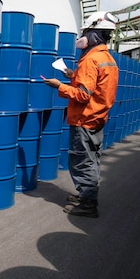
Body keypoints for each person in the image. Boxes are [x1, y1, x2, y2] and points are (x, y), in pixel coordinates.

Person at [41, 11, 119, 218]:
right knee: (91, 159)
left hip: (85, 118)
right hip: (98, 118)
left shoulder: (90, 59)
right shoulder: (106, 58)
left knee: (82, 161)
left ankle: (88, 203)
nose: (82, 36)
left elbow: (83, 95)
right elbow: (97, 84)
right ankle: (85, 195)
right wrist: (72, 75)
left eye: (86, 31)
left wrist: (59, 85)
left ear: (95, 34)